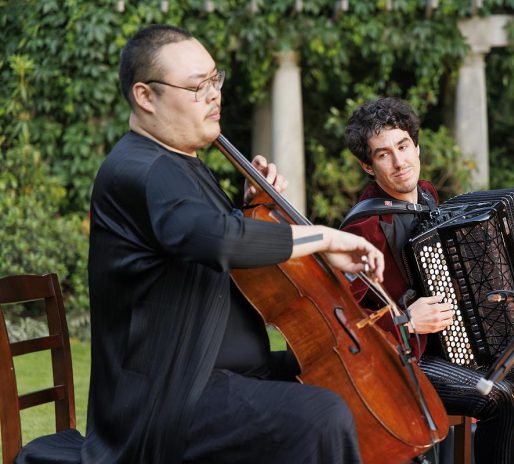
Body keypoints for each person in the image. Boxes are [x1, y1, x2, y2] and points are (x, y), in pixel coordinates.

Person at [81, 24, 386, 464]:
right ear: (145, 96)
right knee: (321, 414)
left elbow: (201, 237)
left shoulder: (181, 162)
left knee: (347, 375)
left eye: (214, 79)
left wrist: (250, 207)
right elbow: (221, 242)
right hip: (171, 393)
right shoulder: (142, 169)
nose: (213, 95)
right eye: (196, 86)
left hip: (220, 371)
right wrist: (325, 237)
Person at [341, 97, 514, 464]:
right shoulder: (362, 229)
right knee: (500, 396)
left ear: (417, 146)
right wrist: (405, 321)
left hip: (462, 348)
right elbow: (345, 324)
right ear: (367, 166)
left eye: (404, 146)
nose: (399, 161)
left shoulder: (427, 195)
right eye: (383, 154)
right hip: (408, 359)